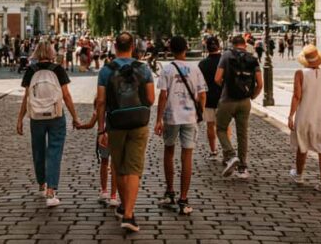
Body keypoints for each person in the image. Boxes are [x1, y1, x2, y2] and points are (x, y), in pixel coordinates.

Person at [96, 32, 155, 233]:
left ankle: (124, 206)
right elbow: (151, 99)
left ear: (115, 47)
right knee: (134, 168)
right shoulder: (143, 69)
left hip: (116, 123)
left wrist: (101, 129)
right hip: (138, 122)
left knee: (119, 166)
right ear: (133, 47)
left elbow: (101, 101)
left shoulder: (106, 70)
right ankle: (129, 214)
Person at [16, 40, 81, 207]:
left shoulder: (31, 70)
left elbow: (26, 97)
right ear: (51, 52)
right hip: (56, 116)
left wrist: (20, 118)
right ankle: (51, 191)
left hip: (36, 117)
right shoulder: (57, 69)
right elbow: (66, 95)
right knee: (54, 151)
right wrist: (75, 117)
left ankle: (41, 184)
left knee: (38, 151)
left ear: (37, 52)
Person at [154, 36, 207, 215]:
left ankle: (170, 192)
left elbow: (163, 95)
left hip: (171, 116)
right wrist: (200, 113)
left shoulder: (167, 69)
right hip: (190, 116)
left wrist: (158, 119)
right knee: (187, 156)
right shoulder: (195, 69)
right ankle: (183, 199)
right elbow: (202, 94)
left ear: (170, 50)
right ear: (186, 49)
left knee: (169, 152)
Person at [288, 45, 321, 192]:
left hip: (305, 115)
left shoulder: (300, 73)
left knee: (302, 146)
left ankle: (299, 175)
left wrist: (291, 115)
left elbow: (297, 96)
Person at [215, 35, 263, 179]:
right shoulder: (252, 58)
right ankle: (242, 168)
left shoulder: (226, 55)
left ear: (232, 44)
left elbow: (217, 78)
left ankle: (231, 154)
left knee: (221, 129)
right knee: (242, 134)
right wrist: (252, 96)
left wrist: (226, 87)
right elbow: (260, 83)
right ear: (245, 44)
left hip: (227, 99)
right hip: (245, 101)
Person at [78, 95, 119, 207]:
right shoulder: (116, 104)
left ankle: (104, 191)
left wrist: (79, 126)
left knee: (104, 162)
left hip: (103, 137)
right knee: (114, 165)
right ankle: (113, 196)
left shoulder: (99, 107)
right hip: (115, 135)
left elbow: (90, 125)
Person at [198, 36, 228, 160]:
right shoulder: (225, 61)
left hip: (208, 99)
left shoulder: (202, 64)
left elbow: (199, 84)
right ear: (219, 47)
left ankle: (213, 150)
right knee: (225, 126)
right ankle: (227, 152)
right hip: (224, 98)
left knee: (210, 125)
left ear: (207, 48)